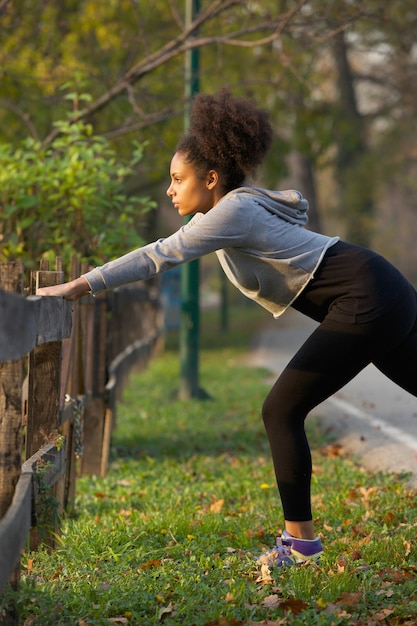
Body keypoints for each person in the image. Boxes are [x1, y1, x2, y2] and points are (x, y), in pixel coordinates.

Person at [37, 89, 417, 568]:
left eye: (178, 179)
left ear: (211, 178)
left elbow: (158, 254)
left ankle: (300, 546)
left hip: (365, 296)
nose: (171, 190)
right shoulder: (238, 208)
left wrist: (78, 285)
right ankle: (300, 545)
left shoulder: (231, 212)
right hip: (382, 286)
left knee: (280, 410)